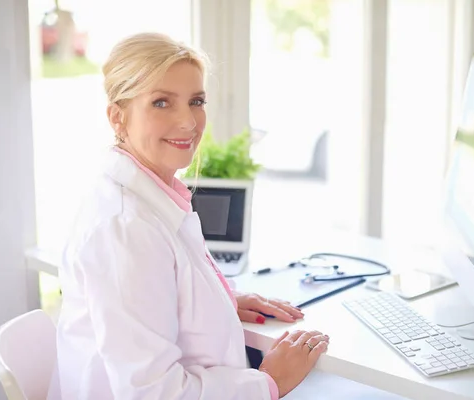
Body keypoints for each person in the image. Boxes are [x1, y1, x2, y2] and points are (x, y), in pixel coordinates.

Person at [49, 32, 330, 400]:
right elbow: (151, 394)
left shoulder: (148, 194)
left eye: (196, 101)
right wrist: (268, 383)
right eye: (162, 102)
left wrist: (216, 299)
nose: (188, 122)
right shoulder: (125, 227)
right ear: (118, 117)